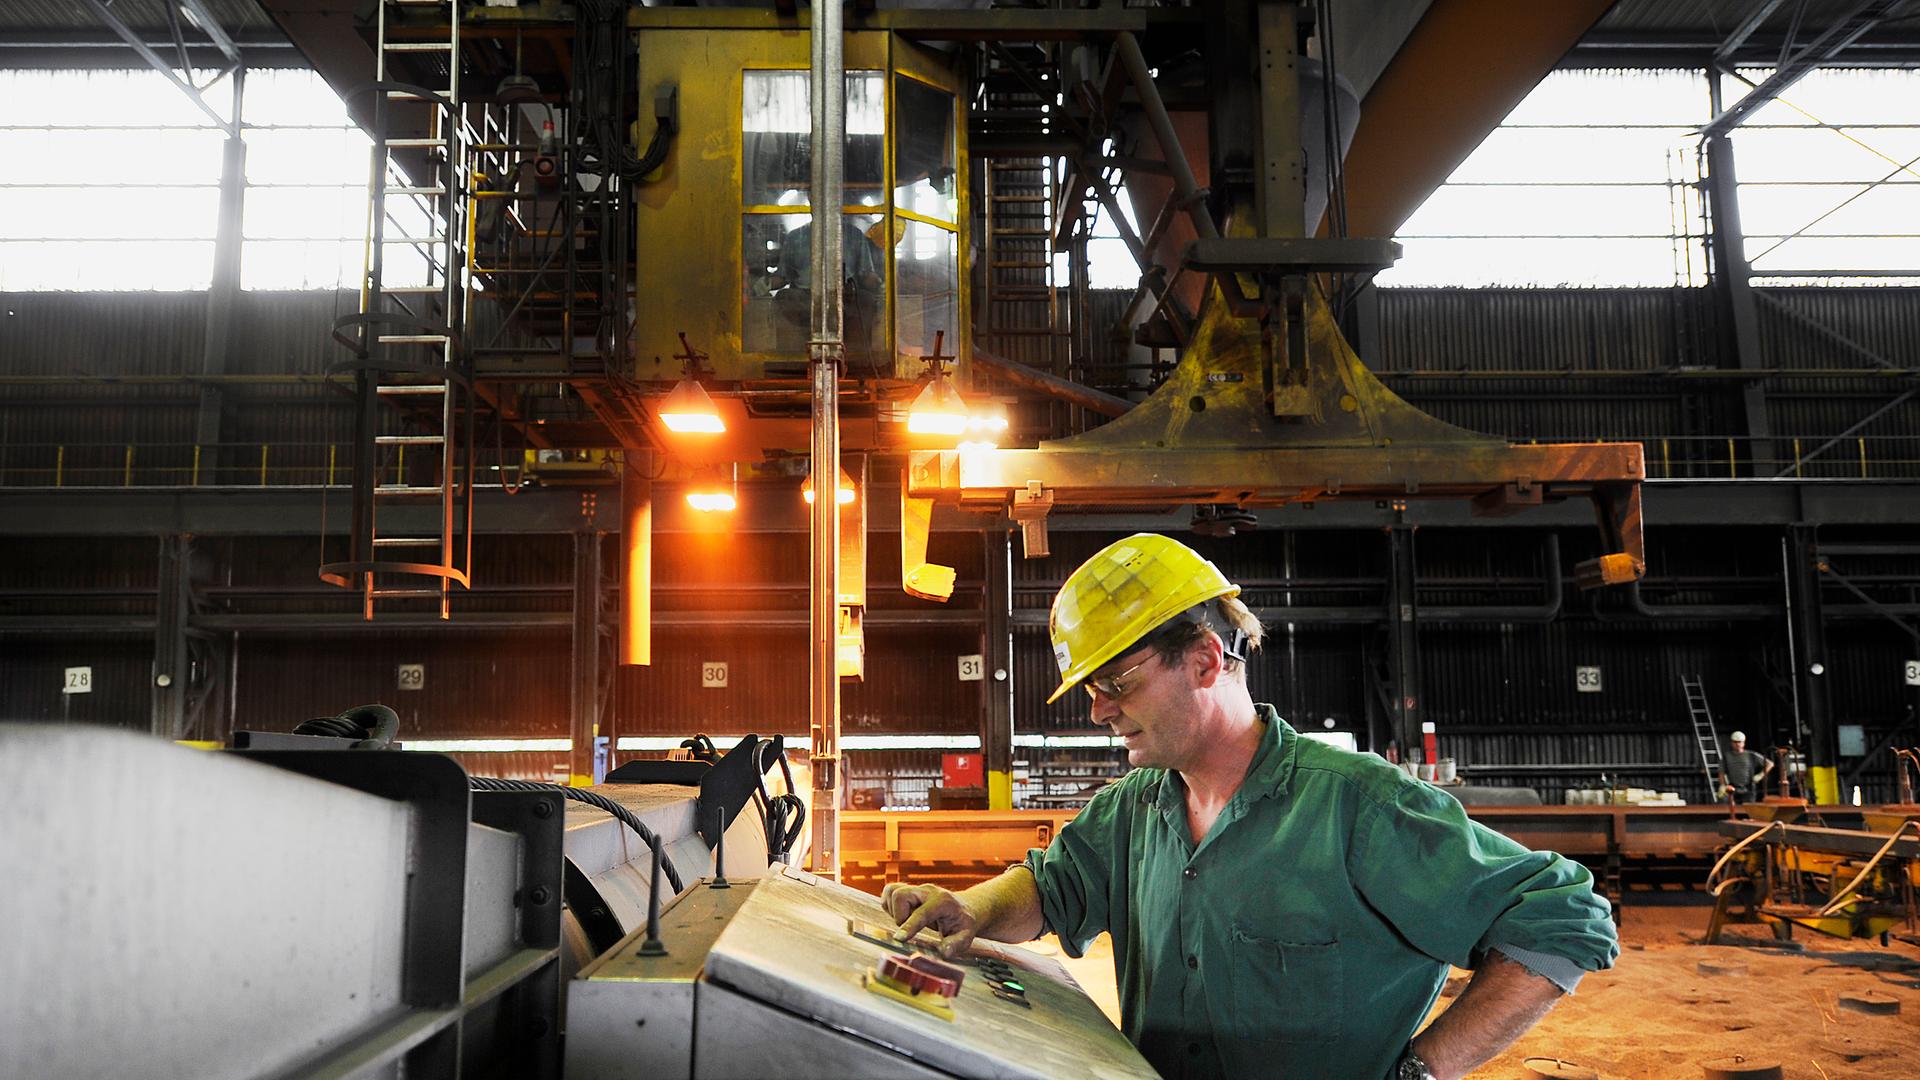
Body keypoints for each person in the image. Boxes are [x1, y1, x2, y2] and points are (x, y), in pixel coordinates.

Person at [882, 534, 1619, 1080]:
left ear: (1205, 659)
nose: (1099, 710)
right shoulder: (1134, 809)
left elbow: (1562, 916)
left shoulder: (1355, 806)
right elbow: (1051, 887)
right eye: (1090, 690)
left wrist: (1423, 1071)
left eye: (1118, 683)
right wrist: (972, 910)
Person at [1723, 731, 1773, 802]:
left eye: (1739, 742)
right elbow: (1721, 772)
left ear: (1743, 743)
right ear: (1731, 743)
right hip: (1732, 789)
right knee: (1731, 810)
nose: (1737, 744)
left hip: (1748, 789)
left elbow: (1770, 764)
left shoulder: (1751, 755)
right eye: (1735, 742)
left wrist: (1760, 775)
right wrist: (1723, 785)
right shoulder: (1726, 757)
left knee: (1748, 810)